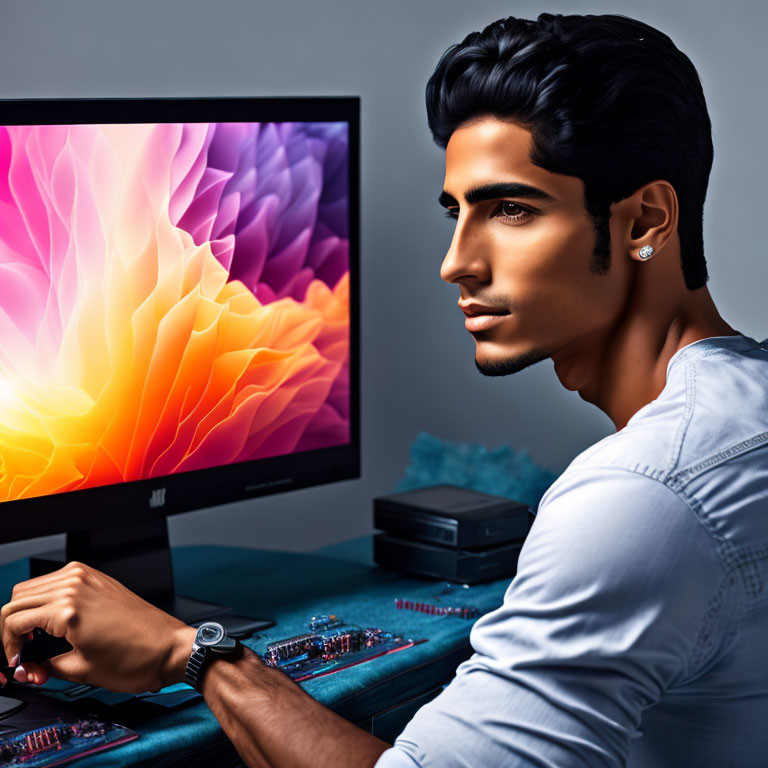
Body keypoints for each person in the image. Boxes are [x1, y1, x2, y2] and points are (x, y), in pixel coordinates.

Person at [2, 11, 767, 768]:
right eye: (456, 211)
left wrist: (195, 655)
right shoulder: (746, 404)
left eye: (510, 210)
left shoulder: (642, 498)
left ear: (646, 220)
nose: (457, 261)